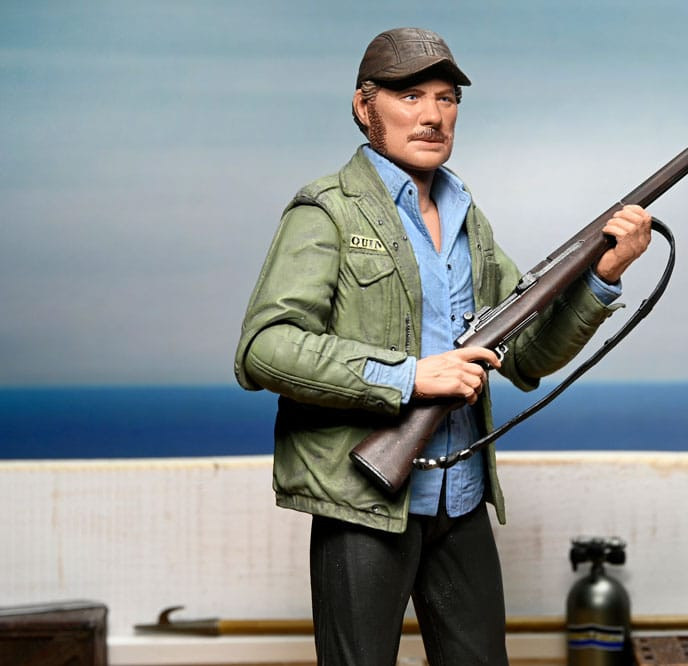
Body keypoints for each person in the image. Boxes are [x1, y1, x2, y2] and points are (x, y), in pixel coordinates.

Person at [234, 27, 652, 666]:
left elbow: (529, 356)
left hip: (461, 495)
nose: (432, 115)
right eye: (410, 96)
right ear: (364, 106)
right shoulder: (328, 211)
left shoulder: (467, 219)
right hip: (364, 499)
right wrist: (409, 377)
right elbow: (265, 348)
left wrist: (603, 275)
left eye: (446, 97)